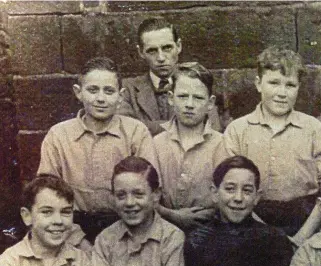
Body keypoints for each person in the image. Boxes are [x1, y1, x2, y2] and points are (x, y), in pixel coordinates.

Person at [222, 46, 321, 244]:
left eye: (290, 85)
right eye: (274, 83)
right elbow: (229, 188)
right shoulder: (237, 130)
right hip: (253, 224)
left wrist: (303, 236)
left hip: (307, 223)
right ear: (259, 84)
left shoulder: (313, 129)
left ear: (298, 87)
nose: (281, 93)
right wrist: (268, 235)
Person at [38, 57, 156, 245]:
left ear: (120, 95)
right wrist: (77, 239)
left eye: (109, 91)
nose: (100, 98)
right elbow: (48, 195)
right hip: (71, 228)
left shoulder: (135, 132)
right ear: (79, 92)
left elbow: (147, 190)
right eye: (92, 90)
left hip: (125, 225)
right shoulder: (58, 136)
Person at [150, 62, 225, 230]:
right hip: (162, 227)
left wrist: (207, 215)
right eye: (183, 96)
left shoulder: (222, 144)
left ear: (210, 102)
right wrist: (172, 215)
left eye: (198, 98)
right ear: (171, 98)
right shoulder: (155, 144)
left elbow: (227, 196)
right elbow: (147, 195)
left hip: (209, 229)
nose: (189, 104)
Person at [119, 17, 221, 136]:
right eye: (152, 51)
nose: (161, 58)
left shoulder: (199, 82)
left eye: (167, 48)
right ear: (140, 52)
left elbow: (213, 127)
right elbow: (126, 129)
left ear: (178, 46)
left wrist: (145, 125)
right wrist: (187, 127)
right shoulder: (128, 89)